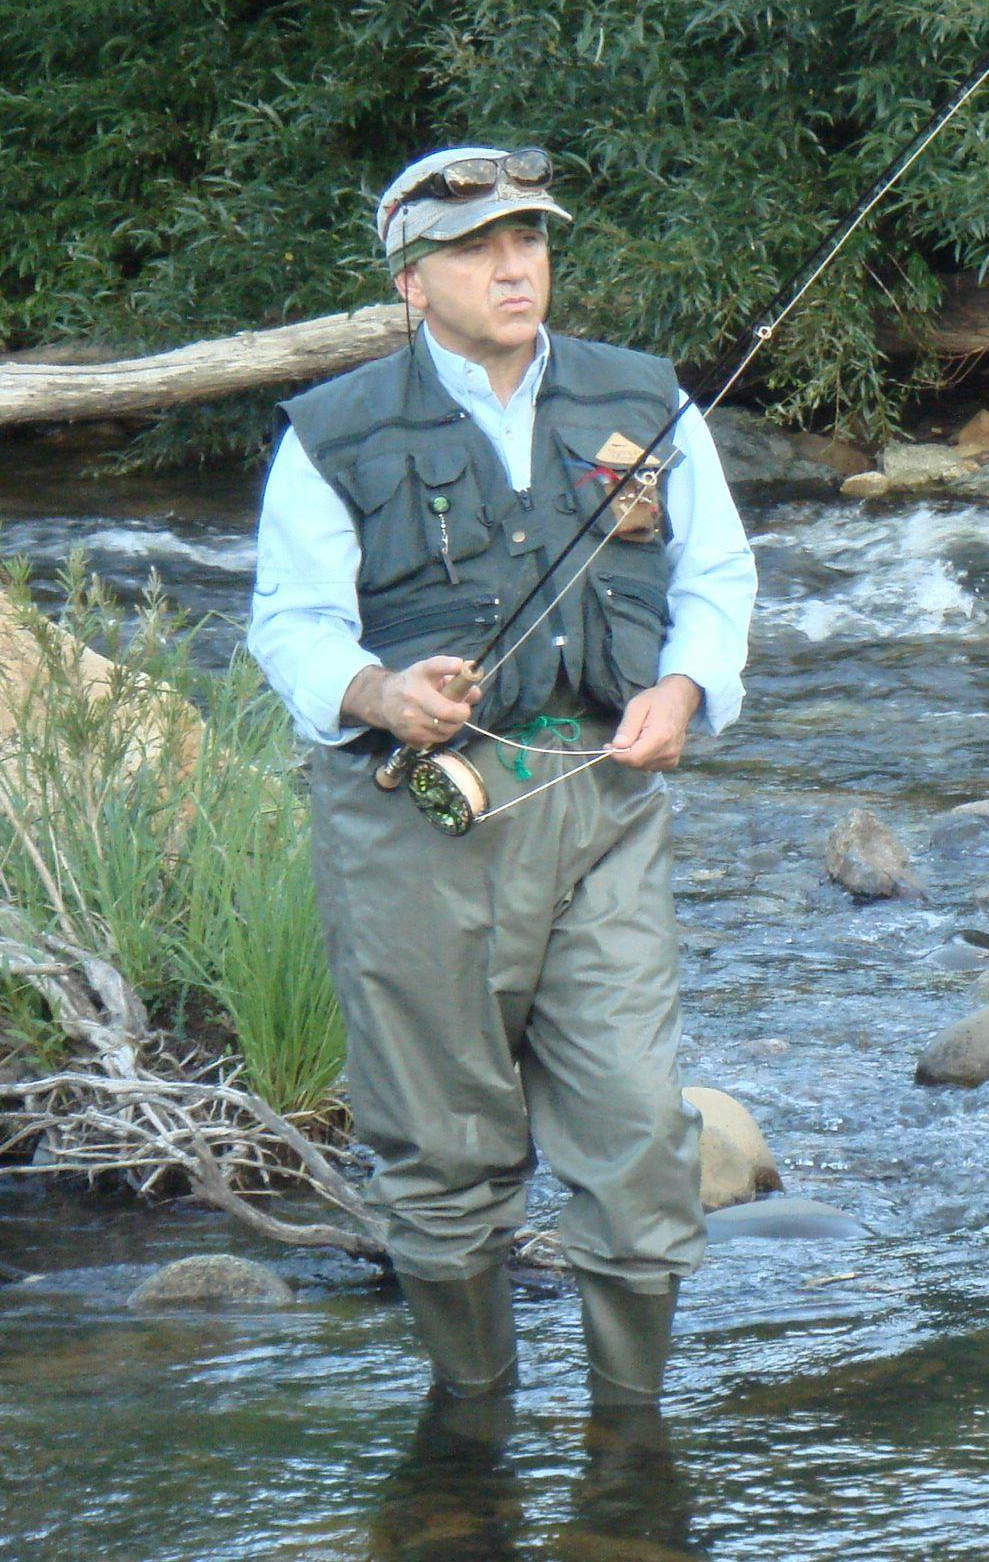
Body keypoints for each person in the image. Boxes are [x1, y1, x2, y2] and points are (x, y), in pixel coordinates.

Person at [249, 144, 757, 1421]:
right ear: (414, 283)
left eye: (527, 239)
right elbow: (291, 627)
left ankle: (629, 1444)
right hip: (409, 825)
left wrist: (682, 693)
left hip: (603, 802)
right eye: (477, 248)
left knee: (642, 1136)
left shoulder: (646, 401)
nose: (514, 265)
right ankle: (470, 1427)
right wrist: (381, 695)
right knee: (443, 1157)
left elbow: (717, 585)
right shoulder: (333, 434)